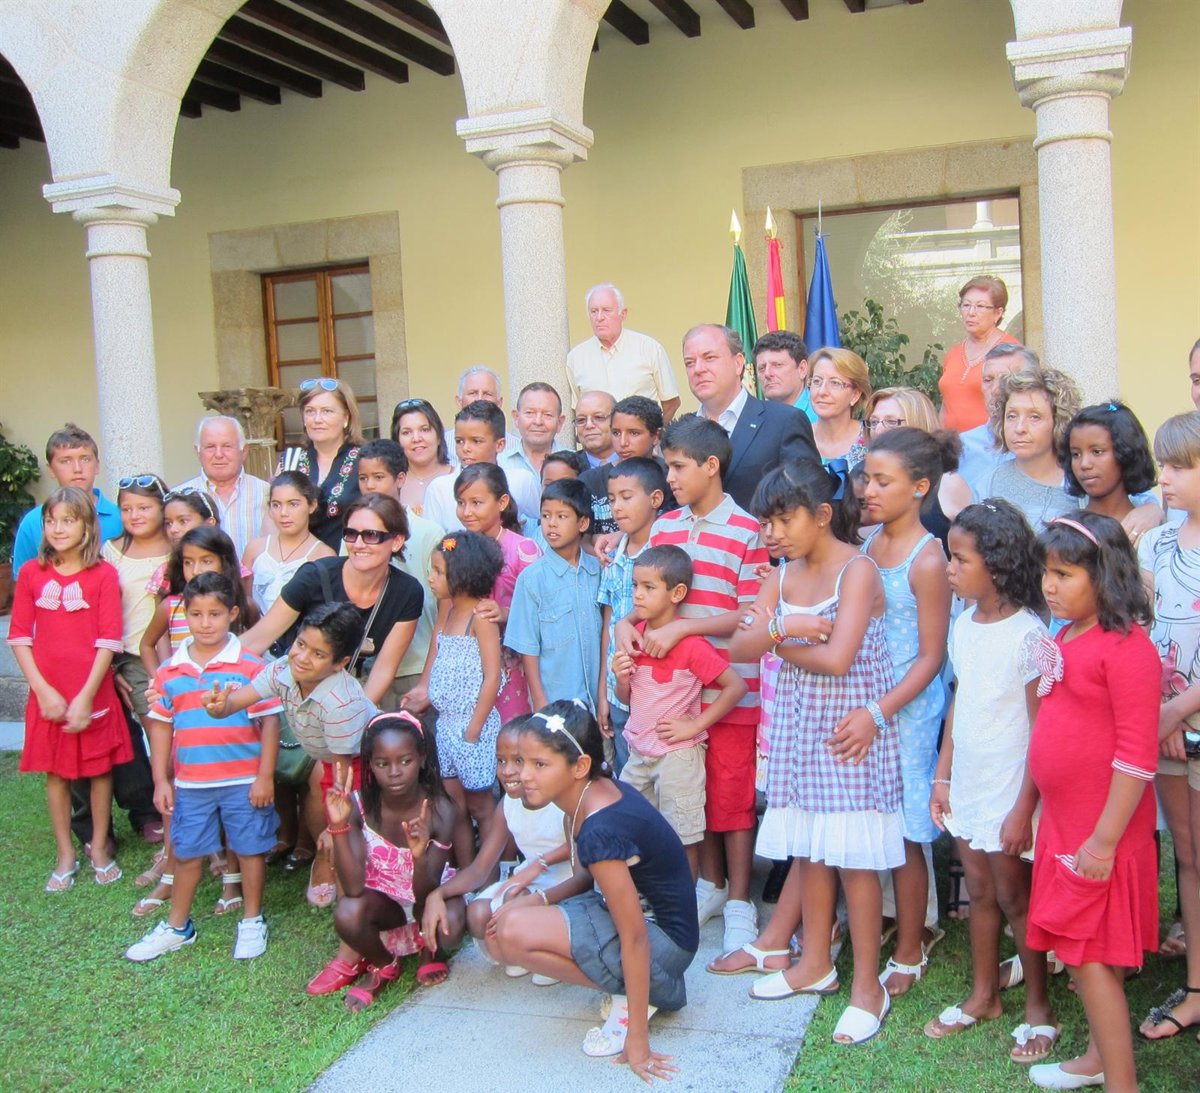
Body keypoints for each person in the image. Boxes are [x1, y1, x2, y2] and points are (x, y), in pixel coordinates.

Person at [717, 462, 901, 1049]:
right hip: (800, 731)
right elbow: (740, 645)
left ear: (822, 515)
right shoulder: (783, 574)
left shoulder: (857, 570)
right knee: (812, 850)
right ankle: (814, 962)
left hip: (849, 731)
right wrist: (787, 627)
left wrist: (776, 640)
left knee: (854, 858)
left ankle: (868, 986)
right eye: (766, 522)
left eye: (783, 520)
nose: (772, 533)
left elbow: (839, 658)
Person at [619, 417, 766, 954]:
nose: (671, 477)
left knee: (731, 797)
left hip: (729, 686)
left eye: (678, 467)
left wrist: (686, 629)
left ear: (711, 466)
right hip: (668, 693)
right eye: (668, 466)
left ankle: (741, 902)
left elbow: (751, 611)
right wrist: (624, 628)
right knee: (688, 800)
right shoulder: (663, 528)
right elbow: (640, 597)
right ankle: (710, 885)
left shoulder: (746, 530)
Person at [1024, 514, 1159, 1090]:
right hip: (1066, 822)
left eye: (1064, 574)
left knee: (1088, 954)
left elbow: (1136, 757)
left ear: (1105, 575)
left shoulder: (1127, 650)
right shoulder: (1067, 636)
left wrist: (1103, 841)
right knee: (1085, 950)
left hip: (1101, 831)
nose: (1049, 586)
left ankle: (1121, 1081)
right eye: (1046, 573)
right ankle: (1098, 1058)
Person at [491, 702, 698, 1078]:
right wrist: (538, 898)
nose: (523, 775)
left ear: (579, 766)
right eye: (521, 761)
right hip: (627, 919)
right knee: (501, 929)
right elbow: (588, 880)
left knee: (512, 934)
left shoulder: (600, 826)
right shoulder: (587, 794)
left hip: (662, 943)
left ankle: (638, 999)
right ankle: (635, 989)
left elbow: (635, 935)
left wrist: (638, 1041)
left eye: (540, 764)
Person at [925, 500, 1058, 1062]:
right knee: (979, 891)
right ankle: (984, 996)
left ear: (998, 567)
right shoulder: (963, 626)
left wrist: (1024, 808)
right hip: (970, 783)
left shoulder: (1030, 638)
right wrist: (943, 776)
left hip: (1011, 788)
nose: (949, 569)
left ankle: (1038, 1008)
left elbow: (1042, 731)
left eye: (960, 560)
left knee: (1014, 898)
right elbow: (961, 701)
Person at [125, 572, 282, 963]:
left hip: (244, 780)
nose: (205, 623)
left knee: (250, 848)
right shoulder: (169, 672)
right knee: (187, 851)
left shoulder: (250, 667)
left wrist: (264, 776)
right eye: (196, 614)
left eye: (215, 614)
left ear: (232, 614)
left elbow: (270, 722)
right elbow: (162, 726)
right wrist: (161, 780)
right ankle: (178, 926)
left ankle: (252, 919)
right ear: (184, 615)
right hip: (192, 783)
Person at [859, 428, 953, 997]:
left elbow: (931, 656)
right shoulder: (868, 543)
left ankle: (912, 946)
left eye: (882, 481)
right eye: (867, 479)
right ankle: (885, 919)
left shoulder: (928, 558)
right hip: (867, 703)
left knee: (907, 830)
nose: (868, 490)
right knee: (873, 816)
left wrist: (882, 710)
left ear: (919, 487)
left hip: (907, 711)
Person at [135, 525, 259, 919]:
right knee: (181, 796)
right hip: (185, 712)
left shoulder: (243, 609)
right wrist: (161, 681)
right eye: (188, 562)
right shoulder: (172, 606)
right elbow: (147, 644)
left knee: (236, 808)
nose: (196, 570)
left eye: (206, 561)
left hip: (233, 731)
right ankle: (172, 873)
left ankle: (231, 880)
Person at [8, 486, 127, 891]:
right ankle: (65, 853)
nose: (58, 529)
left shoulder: (103, 575)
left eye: (68, 520)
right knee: (56, 774)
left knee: (99, 770)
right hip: (49, 692)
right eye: (50, 521)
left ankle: (99, 847)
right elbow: (19, 636)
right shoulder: (31, 573)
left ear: (87, 527)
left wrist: (86, 695)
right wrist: (42, 690)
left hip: (93, 690)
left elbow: (109, 640)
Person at [612, 544, 746, 879]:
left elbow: (736, 687)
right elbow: (626, 697)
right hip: (639, 751)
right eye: (635, 586)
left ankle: (682, 901)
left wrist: (695, 726)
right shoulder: (634, 638)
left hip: (677, 757)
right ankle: (648, 893)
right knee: (629, 825)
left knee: (681, 836)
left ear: (677, 593)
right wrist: (621, 679)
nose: (638, 595)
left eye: (649, 587)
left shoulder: (690, 644)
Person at [323, 714, 465, 1008]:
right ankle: (384, 964)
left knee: (450, 925)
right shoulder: (358, 805)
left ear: (422, 758)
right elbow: (353, 889)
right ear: (370, 765)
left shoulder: (440, 809)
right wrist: (338, 826)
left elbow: (427, 892)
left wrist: (418, 855)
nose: (395, 772)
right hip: (387, 904)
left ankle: (431, 949)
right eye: (382, 764)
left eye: (405, 761)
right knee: (348, 912)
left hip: (428, 898)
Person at [422, 719, 582, 976]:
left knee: (516, 898)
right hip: (533, 878)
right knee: (478, 914)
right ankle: (524, 951)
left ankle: (549, 953)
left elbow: (578, 847)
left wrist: (540, 864)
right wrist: (437, 894)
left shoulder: (560, 799)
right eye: (501, 761)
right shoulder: (508, 804)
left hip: (569, 880)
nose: (507, 771)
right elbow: (480, 869)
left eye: (518, 760)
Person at [1136, 412, 1200, 1042]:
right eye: (1164, 466)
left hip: (1181, 717)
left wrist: (1177, 710)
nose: (1167, 478)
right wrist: (1162, 708)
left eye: (1181, 466)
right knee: (1189, 854)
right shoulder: (1155, 544)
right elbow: (1145, 631)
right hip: (1166, 724)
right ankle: (1197, 988)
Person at [242, 494, 423, 704]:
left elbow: (383, 670)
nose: (358, 544)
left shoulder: (406, 592)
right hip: (292, 687)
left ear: (397, 541)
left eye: (371, 535)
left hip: (347, 695)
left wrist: (355, 718)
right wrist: (213, 665)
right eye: (351, 534)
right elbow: (259, 638)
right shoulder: (314, 576)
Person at [84, 473, 170, 848]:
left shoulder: (177, 548)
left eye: (144, 507)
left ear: (162, 508)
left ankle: (186, 807)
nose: (135, 515)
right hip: (129, 655)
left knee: (178, 736)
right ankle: (158, 810)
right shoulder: (111, 551)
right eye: (127, 508)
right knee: (152, 735)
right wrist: (111, 665)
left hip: (176, 653)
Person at [420, 530, 505, 868]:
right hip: (447, 727)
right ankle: (466, 873)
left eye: (439, 571)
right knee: (456, 808)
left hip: (473, 727)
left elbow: (492, 677)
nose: (431, 578)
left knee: (481, 806)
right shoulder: (450, 613)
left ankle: (489, 874)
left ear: (463, 575)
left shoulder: (479, 619)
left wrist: (474, 730)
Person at [683, 323, 819, 511]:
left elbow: (808, 499)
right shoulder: (683, 431)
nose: (698, 369)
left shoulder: (785, 421)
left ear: (738, 363)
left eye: (709, 358)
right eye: (690, 362)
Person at [353, 438, 443, 713]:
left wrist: (428, 678)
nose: (370, 485)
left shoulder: (427, 532)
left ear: (400, 479)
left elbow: (444, 609)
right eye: (363, 478)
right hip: (363, 666)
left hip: (414, 666)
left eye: (378, 477)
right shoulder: (353, 534)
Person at [506, 479, 602, 710]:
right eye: (546, 516)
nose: (551, 524)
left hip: (597, 700)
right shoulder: (531, 579)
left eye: (561, 516)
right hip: (556, 701)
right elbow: (528, 648)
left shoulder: (598, 571)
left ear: (582, 523)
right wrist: (540, 701)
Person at [597, 458, 668, 772]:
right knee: (628, 779)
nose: (617, 507)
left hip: (657, 695)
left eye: (627, 497)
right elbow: (609, 627)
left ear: (655, 499)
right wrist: (603, 692)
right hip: (619, 693)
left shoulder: (666, 554)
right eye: (612, 499)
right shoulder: (612, 558)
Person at [10, 423, 123, 574]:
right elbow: (22, 580)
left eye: (85, 459)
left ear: (97, 466)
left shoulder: (121, 518)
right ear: (51, 469)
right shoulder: (33, 521)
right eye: (66, 461)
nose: (77, 469)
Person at [863, 387, 972, 542]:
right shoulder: (862, 477)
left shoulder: (947, 483)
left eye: (891, 421)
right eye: (874, 422)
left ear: (919, 424)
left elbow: (974, 545)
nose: (878, 429)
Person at [979, 366, 1082, 532]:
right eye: (1012, 416)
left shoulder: (1082, 481)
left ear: (1059, 422)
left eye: (1034, 417)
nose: (1020, 428)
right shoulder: (989, 484)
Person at [566, 282, 680, 422]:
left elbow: (671, 402)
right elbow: (576, 410)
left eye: (606, 310)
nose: (599, 317)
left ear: (623, 314)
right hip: (599, 436)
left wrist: (654, 432)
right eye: (594, 311)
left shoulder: (649, 348)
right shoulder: (576, 358)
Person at [423, 401, 541, 530]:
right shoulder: (439, 488)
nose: (465, 448)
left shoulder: (521, 480)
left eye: (476, 441)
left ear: (500, 445)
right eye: (459, 441)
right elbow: (432, 538)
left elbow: (543, 520)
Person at [277, 378, 363, 550]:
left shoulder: (365, 459)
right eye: (310, 411)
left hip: (349, 559)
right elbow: (274, 519)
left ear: (346, 417)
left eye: (327, 411)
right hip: (300, 560)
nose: (317, 419)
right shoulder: (290, 460)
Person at [1059, 401, 1159, 541]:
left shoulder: (1153, 532)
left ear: (1125, 452)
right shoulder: (1065, 532)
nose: (1084, 464)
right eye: (1076, 454)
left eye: (1097, 452)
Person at [580, 395, 675, 540]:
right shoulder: (590, 481)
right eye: (616, 433)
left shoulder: (671, 476)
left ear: (656, 436)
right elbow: (582, 540)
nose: (623, 442)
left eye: (634, 433)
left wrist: (622, 536)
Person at [174, 416, 270, 557]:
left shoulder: (267, 494)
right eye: (210, 447)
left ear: (244, 451)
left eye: (227, 446)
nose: (218, 454)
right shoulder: (178, 498)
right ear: (198, 451)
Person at [242, 471, 334, 618]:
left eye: (293, 504)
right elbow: (243, 601)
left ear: (312, 505)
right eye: (276, 505)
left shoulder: (324, 555)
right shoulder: (255, 549)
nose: (283, 513)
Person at [937, 276, 1021, 433]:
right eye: (966, 305)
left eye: (980, 306)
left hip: (991, 443)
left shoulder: (1012, 353)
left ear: (998, 313)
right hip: (950, 444)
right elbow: (946, 405)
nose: (971, 312)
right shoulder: (953, 353)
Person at [958, 344, 1041, 492]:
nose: (995, 390)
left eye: (1006, 379)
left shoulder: (1049, 447)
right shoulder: (961, 447)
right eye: (988, 380)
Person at [390, 397, 454, 517]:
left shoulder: (459, 478)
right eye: (406, 432)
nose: (416, 438)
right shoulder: (391, 484)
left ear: (439, 436)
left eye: (424, 430)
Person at [809, 347, 871, 468]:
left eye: (835, 383)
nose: (822, 391)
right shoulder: (797, 437)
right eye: (816, 381)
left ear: (855, 395)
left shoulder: (871, 440)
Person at [443, 366, 521, 461]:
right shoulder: (442, 445)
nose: (480, 399)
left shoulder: (516, 448)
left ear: (499, 403)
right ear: (459, 401)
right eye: (473, 393)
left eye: (487, 394)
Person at [504, 381, 566, 480]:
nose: (538, 422)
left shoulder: (576, 465)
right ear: (516, 418)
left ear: (559, 422)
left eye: (547, 415)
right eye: (530, 413)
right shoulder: (500, 464)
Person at [753, 331, 817, 422]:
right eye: (761, 368)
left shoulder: (823, 416)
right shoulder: (752, 418)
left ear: (802, 369)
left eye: (777, 365)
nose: (767, 374)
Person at [574, 390, 618, 470]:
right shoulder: (567, 468)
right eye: (581, 420)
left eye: (599, 417)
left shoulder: (637, 463)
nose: (589, 425)